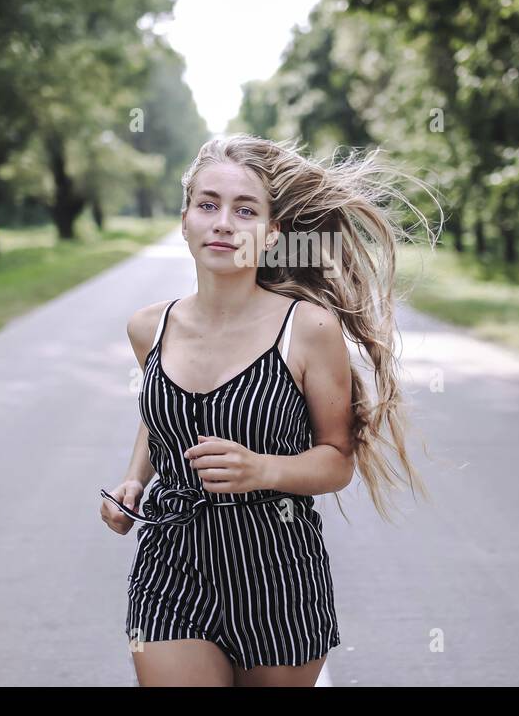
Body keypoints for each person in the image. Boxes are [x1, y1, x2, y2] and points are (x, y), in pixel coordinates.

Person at [100, 133, 439, 686]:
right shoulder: (149, 328)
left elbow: (336, 459)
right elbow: (158, 411)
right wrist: (132, 481)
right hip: (171, 564)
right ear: (184, 218)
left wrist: (264, 470)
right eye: (207, 205)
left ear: (272, 233)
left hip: (277, 572)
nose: (223, 223)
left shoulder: (307, 329)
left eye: (245, 210)